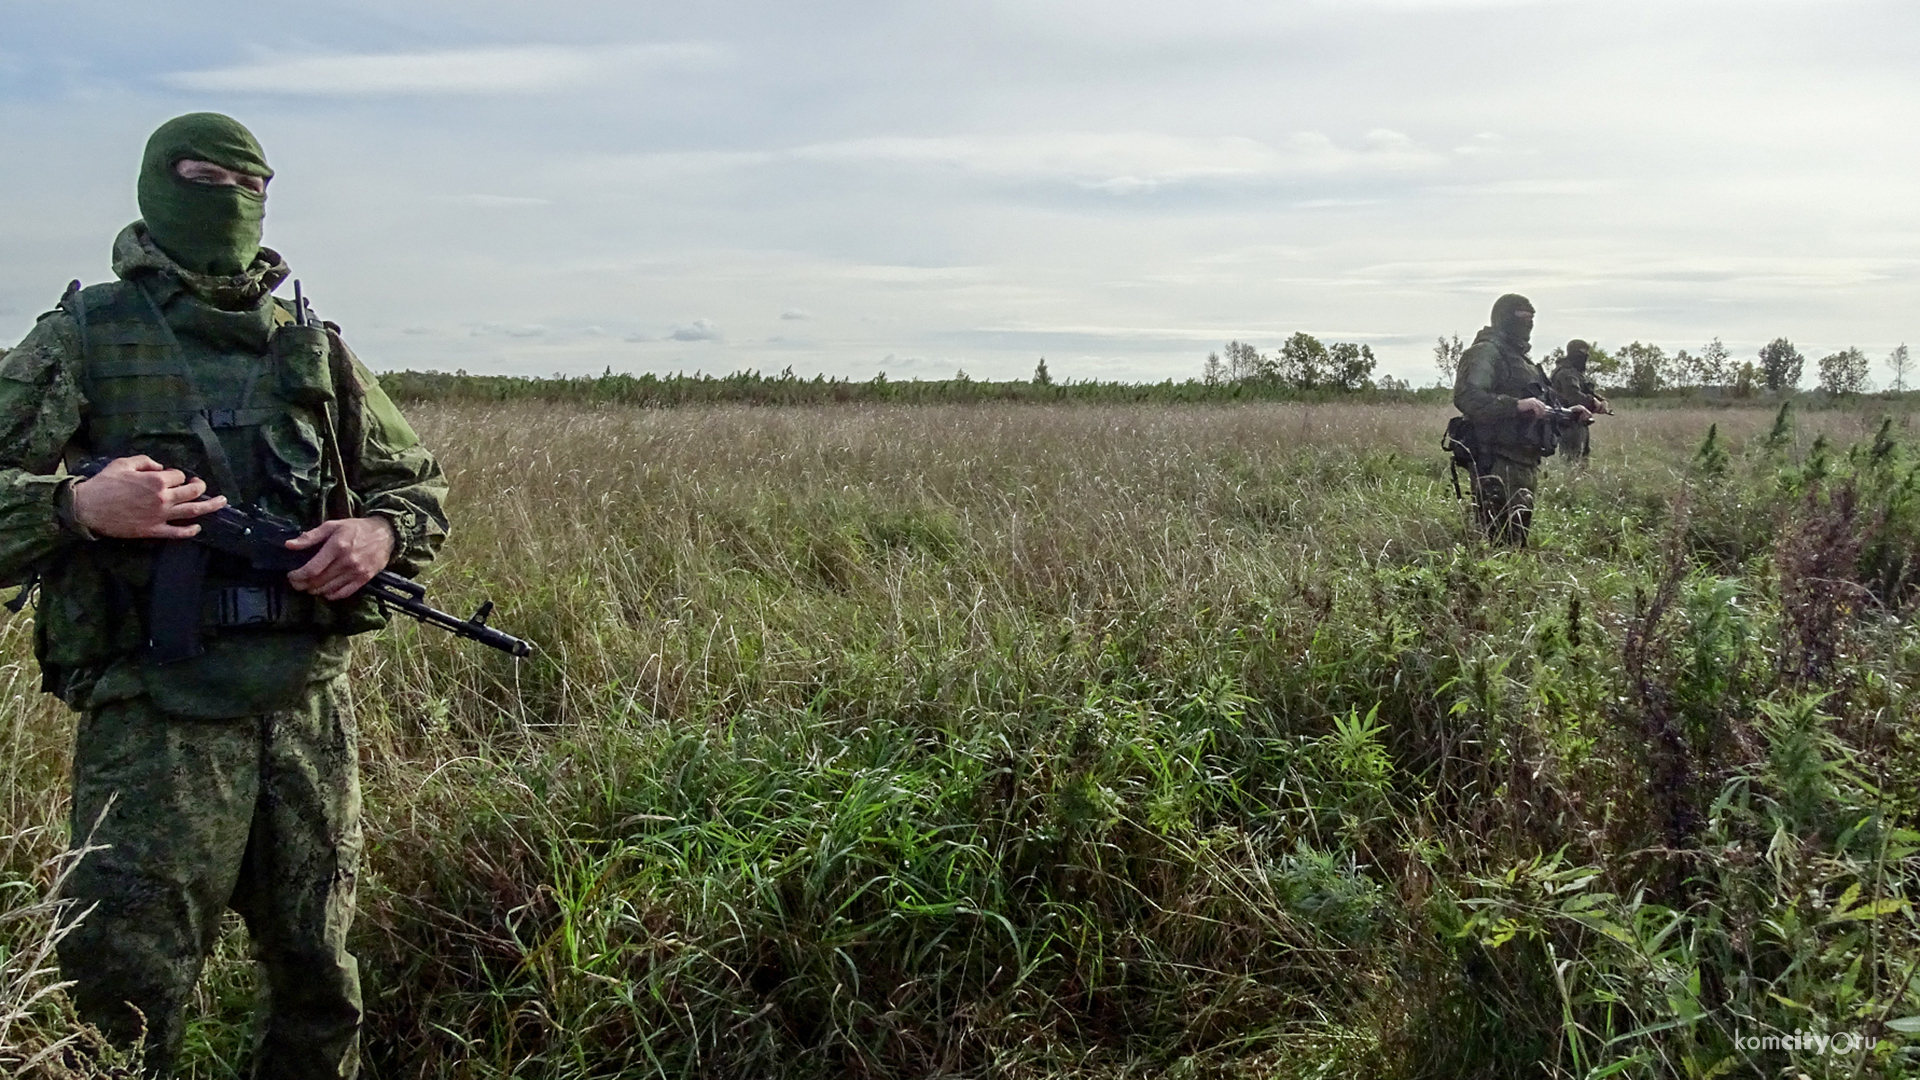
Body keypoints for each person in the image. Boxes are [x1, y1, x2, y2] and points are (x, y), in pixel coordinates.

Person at [0, 113, 448, 1078]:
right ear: (160, 186)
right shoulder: (86, 333)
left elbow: (416, 488)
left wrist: (377, 532)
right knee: (121, 991)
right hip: (158, 722)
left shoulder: (311, 343)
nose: (233, 202)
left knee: (320, 979)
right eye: (208, 178)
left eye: (253, 186)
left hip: (305, 712)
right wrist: (79, 504)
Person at [1450, 294, 1588, 545]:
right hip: (1495, 459)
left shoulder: (1523, 361)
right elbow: (1467, 396)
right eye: (1522, 318)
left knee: (1516, 540)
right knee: (1497, 541)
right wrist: (1515, 405)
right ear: (1504, 318)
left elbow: (1540, 404)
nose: (1528, 324)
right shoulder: (1485, 352)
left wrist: (1570, 413)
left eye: (1532, 318)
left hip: (1525, 461)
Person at [1549, 339, 1610, 461]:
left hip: (1578, 422)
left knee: (1582, 461)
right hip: (1568, 424)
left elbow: (1586, 391)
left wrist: (1601, 400)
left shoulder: (1575, 372)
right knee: (1572, 462)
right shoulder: (1566, 373)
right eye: (1582, 352)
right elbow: (1574, 396)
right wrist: (1593, 402)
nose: (1585, 356)